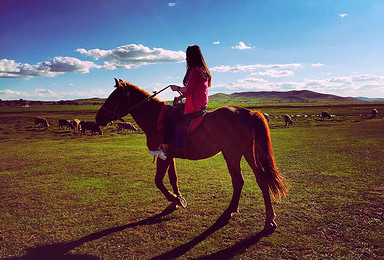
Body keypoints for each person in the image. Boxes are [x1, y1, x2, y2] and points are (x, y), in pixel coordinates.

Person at [150, 45, 211, 160]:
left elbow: (188, 90)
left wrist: (177, 88)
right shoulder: (204, 71)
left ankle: (165, 150)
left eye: (187, 56)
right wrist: (180, 97)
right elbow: (195, 90)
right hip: (201, 105)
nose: (186, 59)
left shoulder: (194, 70)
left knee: (168, 118)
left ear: (190, 57)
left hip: (193, 107)